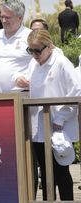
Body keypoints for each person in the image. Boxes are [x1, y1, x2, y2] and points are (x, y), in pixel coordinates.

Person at [17, 29, 81, 200]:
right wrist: (19, 79)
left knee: (61, 170)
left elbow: (76, 92)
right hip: (38, 127)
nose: (35, 54)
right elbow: (28, 81)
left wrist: (60, 118)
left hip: (58, 126)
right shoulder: (33, 63)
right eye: (31, 50)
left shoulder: (61, 63)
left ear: (50, 46)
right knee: (45, 173)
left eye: (38, 50)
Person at [0, 0, 32, 93]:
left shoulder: (30, 36)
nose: (4, 21)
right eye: (2, 17)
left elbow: (43, 62)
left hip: (22, 93)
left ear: (20, 18)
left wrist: (26, 77)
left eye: (8, 17)